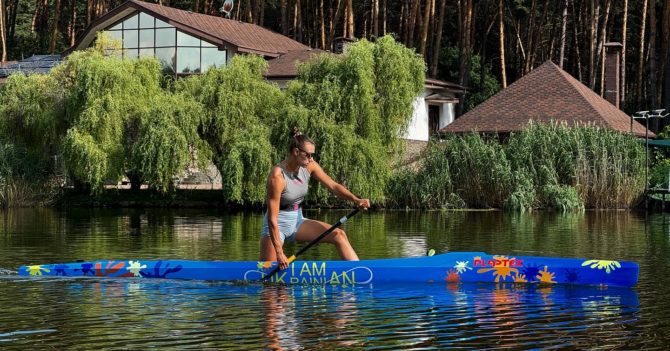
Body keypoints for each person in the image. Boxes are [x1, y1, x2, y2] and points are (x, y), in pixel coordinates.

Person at [260, 127, 370, 270]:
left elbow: (333, 186)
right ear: (296, 152)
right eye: (308, 155)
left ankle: (359, 271)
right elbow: (272, 219)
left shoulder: (309, 166)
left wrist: (355, 199)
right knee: (267, 274)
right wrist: (280, 253)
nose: (311, 159)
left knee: (339, 235)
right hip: (276, 225)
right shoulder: (277, 177)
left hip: (297, 221)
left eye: (312, 155)